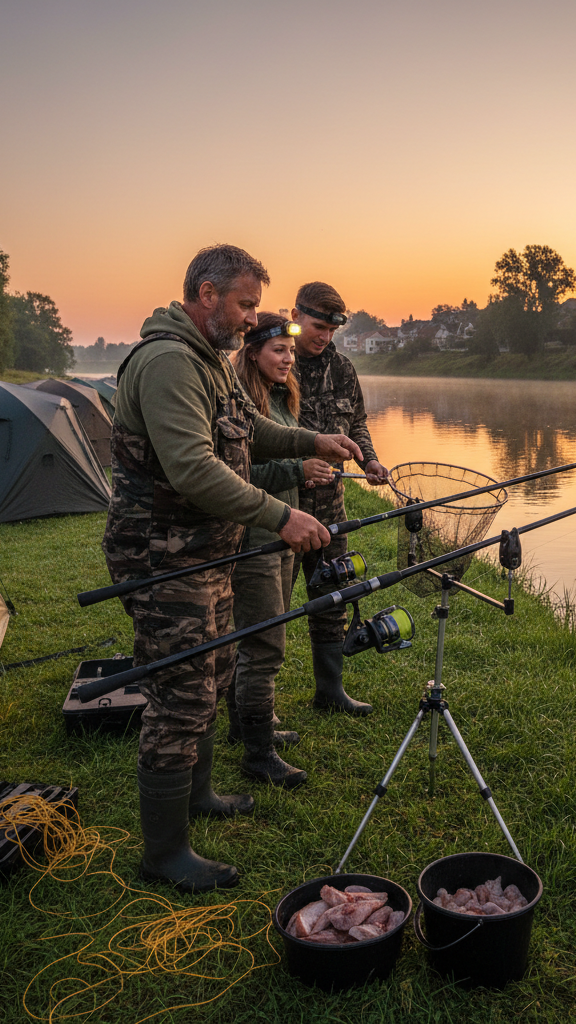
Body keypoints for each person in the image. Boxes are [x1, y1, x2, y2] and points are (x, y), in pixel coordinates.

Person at [102, 245, 362, 893]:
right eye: (246, 304)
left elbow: (249, 432)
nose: (253, 319)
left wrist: (314, 440)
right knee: (182, 693)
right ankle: (163, 854)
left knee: (214, 672)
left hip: (206, 549)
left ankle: (200, 796)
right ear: (207, 293)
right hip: (163, 552)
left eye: (254, 305)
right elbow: (193, 468)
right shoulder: (168, 363)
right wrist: (281, 515)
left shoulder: (208, 361)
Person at [228, 313, 333, 789]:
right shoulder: (241, 403)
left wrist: (305, 468)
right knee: (263, 645)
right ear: (253, 353)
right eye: (278, 351)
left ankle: (249, 723)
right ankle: (257, 754)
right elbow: (237, 479)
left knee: (263, 637)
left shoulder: (280, 397)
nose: (289, 359)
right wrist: (298, 470)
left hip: (283, 536)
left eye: (290, 352)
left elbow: (284, 459)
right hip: (255, 539)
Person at [291, 282, 389, 715]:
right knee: (266, 604)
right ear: (295, 316)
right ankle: (255, 708)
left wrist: (369, 460)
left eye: (331, 331)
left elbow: (359, 423)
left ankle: (330, 693)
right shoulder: (272, 360)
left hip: (331, 506)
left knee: (332, 595)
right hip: (280, 505)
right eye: (317, 327)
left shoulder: (344, 369)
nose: (324, 338)